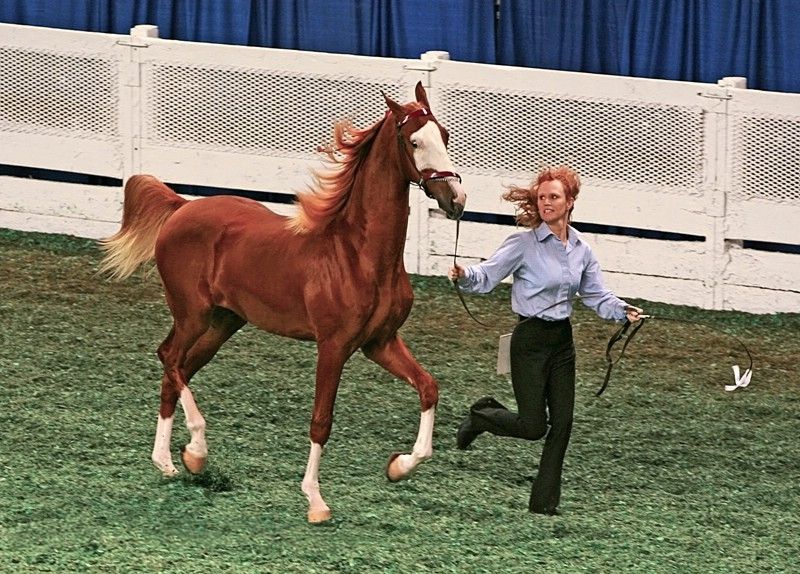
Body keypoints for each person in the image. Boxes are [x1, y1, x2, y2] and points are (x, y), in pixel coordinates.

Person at [448, 165, 643, 516]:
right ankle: (480, 417)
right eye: (542, 198)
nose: (546, 203)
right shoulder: (523, 244)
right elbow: (488, 274)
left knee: (564, 423)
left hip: (561, 342)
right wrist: (464, 275)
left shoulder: (582, 248)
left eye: (554, 197)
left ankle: (543, 504)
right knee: (533, 426)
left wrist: (622, 310)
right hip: (529, 340)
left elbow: (596, 295)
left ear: (570, 202)